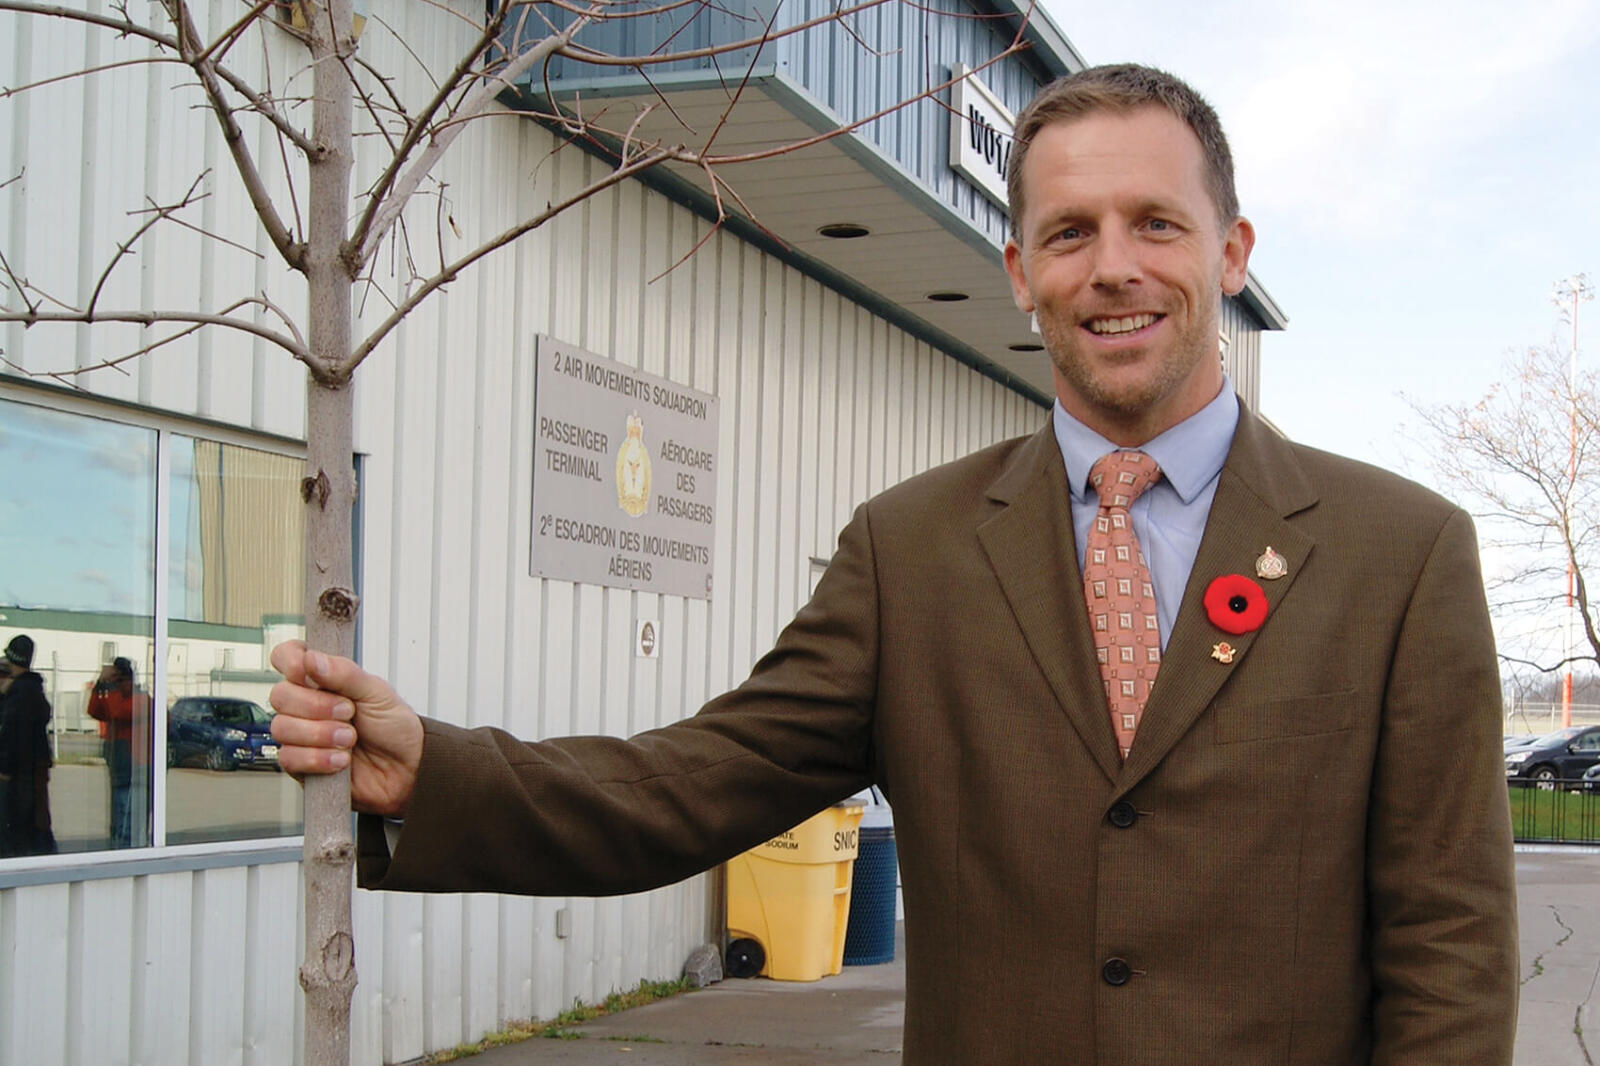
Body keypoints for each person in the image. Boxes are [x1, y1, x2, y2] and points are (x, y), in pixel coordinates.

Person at [269, 63, 1517, 1064]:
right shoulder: (910, 549)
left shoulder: (1398, 555)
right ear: (1022, 273)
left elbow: (1448, 945)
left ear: (1230, 252)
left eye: (1156, 223)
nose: (1114, 267)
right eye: (1069, 232)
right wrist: (434, 769)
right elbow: (692, 782)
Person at [0, 634, 58, 857]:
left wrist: (5, 769)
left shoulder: (19, 695)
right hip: (34, 770)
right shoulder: (34, 691)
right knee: (37, 819)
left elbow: (12, 736)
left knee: (17, 824)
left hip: (18, 773)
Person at [86, 656, 149, 848]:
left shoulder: (141, 700)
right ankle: (117, 846)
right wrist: (99, 685)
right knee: (118, 818)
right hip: (119, 767)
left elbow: (117, 712)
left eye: (119, 680)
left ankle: (127, 849)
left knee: (128, 818)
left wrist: (110, 686)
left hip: (136, 768)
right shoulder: (117, 699)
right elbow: (94, 711)